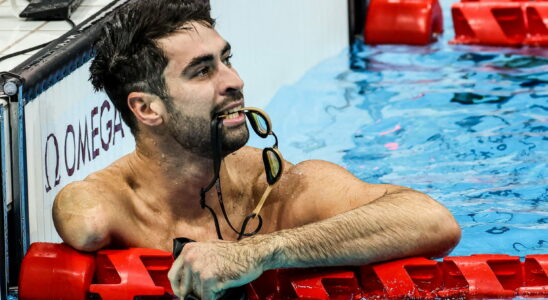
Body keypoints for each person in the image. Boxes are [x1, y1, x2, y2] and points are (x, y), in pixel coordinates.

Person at [52, 0, 461, 299]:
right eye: (202, 71)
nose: (234, 81)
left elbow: (434, 221)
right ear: (146, 108)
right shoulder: (111, 208)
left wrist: (261, 251)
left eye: (226, 60)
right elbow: (80, 213)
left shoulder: (274, 188)